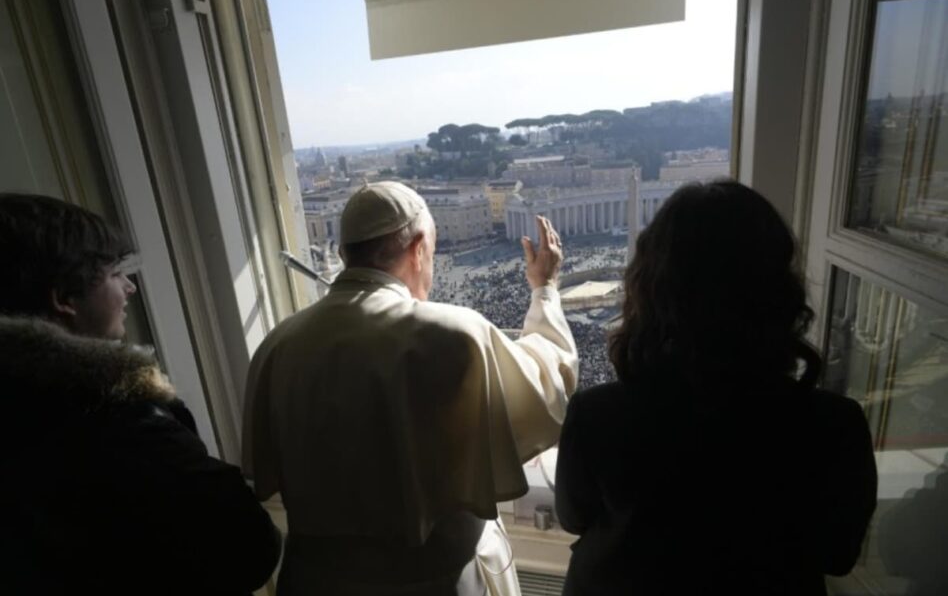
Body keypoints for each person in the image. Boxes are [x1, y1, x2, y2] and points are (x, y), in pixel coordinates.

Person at [243, 181, 578, 596]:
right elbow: (549, 384)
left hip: (316, 583)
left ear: (346, 252)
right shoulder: (455, 333)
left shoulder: (276, 345)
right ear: (419, 248)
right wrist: (544, 289)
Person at [555, 180, 878, 596]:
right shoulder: (837, 424)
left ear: (651, 287)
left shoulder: (596, 415)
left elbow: (573, 518)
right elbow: (838, 554)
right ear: (778, 289)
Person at [0, 193, 281, 595]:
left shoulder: (22, 406)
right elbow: (249, 547)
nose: (130, 287)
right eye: (115, 274)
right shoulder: (120, 423)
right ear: (65, 299)